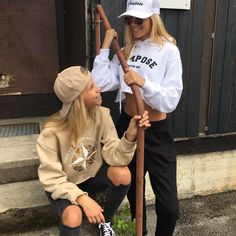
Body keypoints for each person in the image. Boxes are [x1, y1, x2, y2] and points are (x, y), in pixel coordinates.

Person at [92, 0, 183, 235]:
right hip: (128, 127)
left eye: (139, 20)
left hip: (156, 130)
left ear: (153, 18)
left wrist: (143, 83)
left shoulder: (168, 50)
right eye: (128, 20)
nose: (133, 25)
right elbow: (100, 83)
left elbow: (171, 99)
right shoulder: (127, 50)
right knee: (134, 194)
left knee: (169, 207)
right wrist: (104, 47)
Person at [36, 66, 150, 236]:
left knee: (123, 174)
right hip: (64, 183)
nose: (99, 88)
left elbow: (115, 156)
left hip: (91, 176)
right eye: (91, 87)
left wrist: (130, 136)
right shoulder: (50, 134)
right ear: (77, 99)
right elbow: (52, 179)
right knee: (73, 216)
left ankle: (105, 221)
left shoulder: (102, 115)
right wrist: (82, 198)